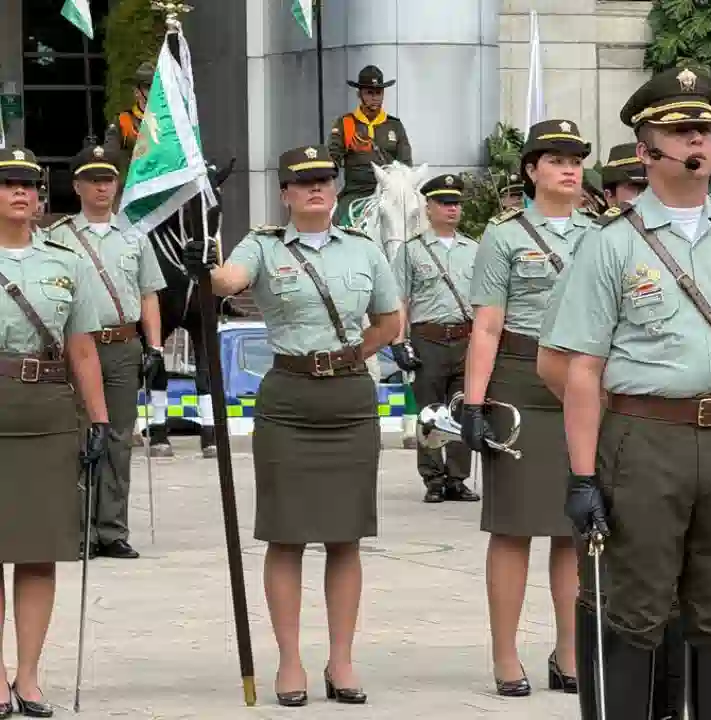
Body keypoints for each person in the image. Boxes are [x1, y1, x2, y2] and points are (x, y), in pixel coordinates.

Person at [546, 65, 711, 718]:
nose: (699, 141)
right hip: (643, 440)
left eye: (706, 130)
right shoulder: (610, 246)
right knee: (635, 607)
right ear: (646, 148)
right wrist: (581, 475)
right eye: (682, 129)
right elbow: (579, 369)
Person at [182, 145, 402, 707]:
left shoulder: (362, 248)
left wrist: (353, 354)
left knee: (346, 534)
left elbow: (390, 319)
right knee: (285, 535)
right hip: (288, 399)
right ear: (284, 193)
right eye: (303, 183)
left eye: (325, 180)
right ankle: (289, 661)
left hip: (350, 398)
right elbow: (228, 281)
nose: (316, 189)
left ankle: (343, 659)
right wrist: (203, 258)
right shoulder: (262, 245)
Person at [536, 140, 687, 719]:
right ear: (611, 195)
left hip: (680, 445)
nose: (638, 198)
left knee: (679, 589)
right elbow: (556, 361)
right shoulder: (600, 252)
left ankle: (671, 705)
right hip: (618, 440)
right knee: (613, 593)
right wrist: (607, 410)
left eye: (641, 187)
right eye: (627, 189)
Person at [462, 118, 593, 697]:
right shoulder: (504, 236)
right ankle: (504, 655)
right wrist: (473, 402)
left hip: (583, 384)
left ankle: (568, 654)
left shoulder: (601, 234)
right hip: (518, 383)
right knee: (513, 528)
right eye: (556, 157)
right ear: (532, 170)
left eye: (577, 157)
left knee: (573, 529)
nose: (570, 167)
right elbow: (487, 325)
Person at [0, 147, 111, 718]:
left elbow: (83, 348)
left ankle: (30, 675)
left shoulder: (66, 260)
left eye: (29, 183)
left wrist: (99, 420)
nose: (21, 192)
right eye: (8, 183)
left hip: (47, 408)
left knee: (39, 551)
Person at [46, 145, 166, 560]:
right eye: (93, 180)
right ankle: (79, 528)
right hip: (77, 348)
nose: (102, 187)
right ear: (77, 185)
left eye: (109, 179)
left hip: (123, 346)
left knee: (117, 438)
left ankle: (112, 528)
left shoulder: (134, 233)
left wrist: (154, 347)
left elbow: (148, 294)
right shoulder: (58, 236)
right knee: (79, 436)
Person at [391, 173, 480, 503]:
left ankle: (457, 478)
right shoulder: (411, 251)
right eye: (444, 203)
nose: (452, 209)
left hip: (466, 339)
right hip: (428, 340)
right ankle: (433, 478)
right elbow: (400, 300)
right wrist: (398, 342)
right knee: (431, 412)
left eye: (456, 203)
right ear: (428, 208)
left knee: (462, 409)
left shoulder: (474, 248)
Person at [327, 65, 413, 226]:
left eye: (378, 93)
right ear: (359, 94)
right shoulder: (346, 123)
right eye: (369, 93)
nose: (375, 97)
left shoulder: (395, 125)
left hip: (389, 193)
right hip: (356, 192)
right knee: (339, 222)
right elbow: (333, 160)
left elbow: (405, 165)